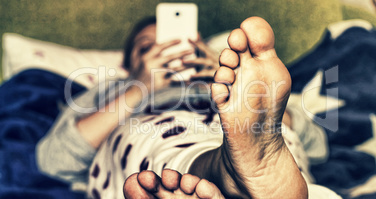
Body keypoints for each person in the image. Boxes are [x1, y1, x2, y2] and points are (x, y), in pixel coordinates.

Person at [36, 16, 339, 198]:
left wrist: (224, 80)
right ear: (128, 63)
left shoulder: (228, 76)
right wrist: (139, 87)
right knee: (151, 136)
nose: (165, 54)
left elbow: (317, 144)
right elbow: (55, 159)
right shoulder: (110, 89)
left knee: (270, 134)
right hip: (154, 126)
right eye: (147, 47)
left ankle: (226, 171)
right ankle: (220, 173)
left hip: (227, 124)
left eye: (181, 45)